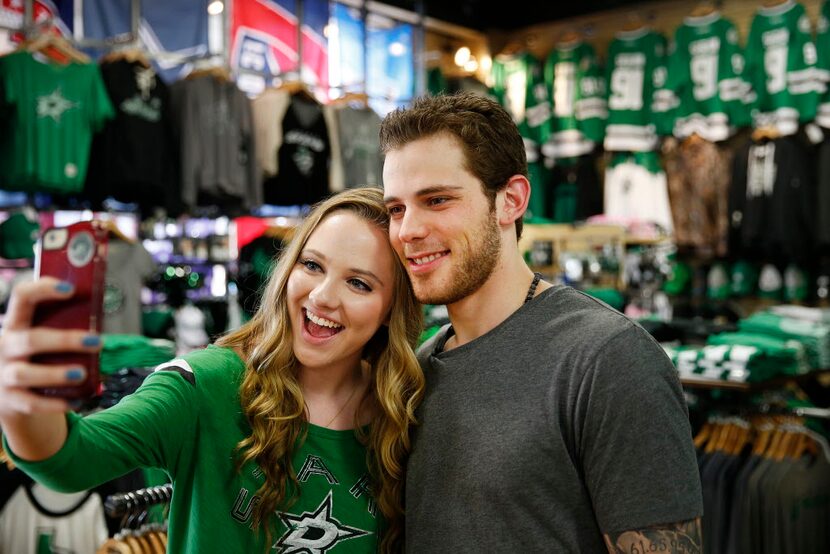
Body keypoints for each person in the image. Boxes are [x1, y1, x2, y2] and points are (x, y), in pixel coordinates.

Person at [0, 187, 424, 553]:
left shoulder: (404, 412)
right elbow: (69, 459)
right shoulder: (207, 385)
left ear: (391, 310)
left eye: (360, 283)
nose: (323, 296)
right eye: (311, 265)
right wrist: (24, 398)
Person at [379, 92, 704, 553]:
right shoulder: (416, 368)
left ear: (509, 200)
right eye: (396, 209)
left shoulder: (609, 361)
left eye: (437, 200)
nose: (408, 229)